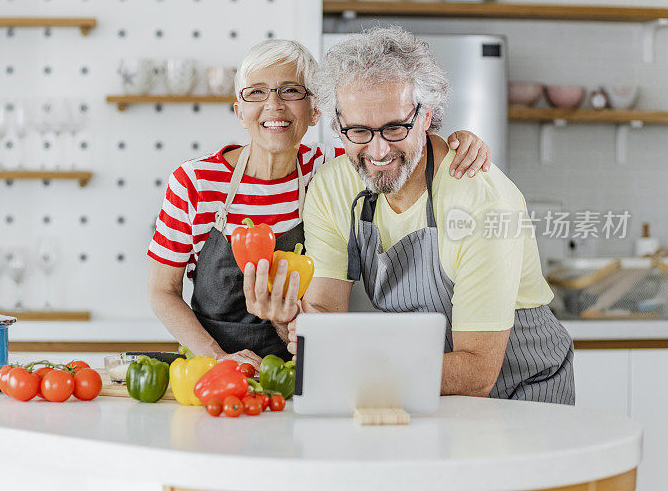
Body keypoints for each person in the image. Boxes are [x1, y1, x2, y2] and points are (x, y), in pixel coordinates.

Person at [244, 28, 575, 404]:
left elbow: (477, 373)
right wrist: (287, 318)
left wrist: (355, 362)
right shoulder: (332, 187)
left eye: (395, 127)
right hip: (414, 387)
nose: (379, 150)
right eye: (358, 131)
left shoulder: (481, 202)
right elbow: (324, 314)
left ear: (427, 115)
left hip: (520, 391)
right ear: (337, 125)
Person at [148, 38, 492, 368]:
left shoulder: (332, 169)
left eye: (291, 90)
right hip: (214, 370)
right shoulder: (195, 182)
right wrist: (215, 356)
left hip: (307, 367)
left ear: (315, 111)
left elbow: (392, 144)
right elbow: (163, 291)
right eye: (256, 92)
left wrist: (457, 142)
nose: (274, 105)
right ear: (240, 112)